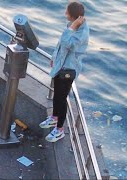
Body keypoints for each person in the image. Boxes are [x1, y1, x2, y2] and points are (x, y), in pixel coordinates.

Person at [39, 1, 89, 142]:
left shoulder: (81, 32)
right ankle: (54, 118)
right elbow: (61, 44)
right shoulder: (73, 26)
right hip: (60, 66)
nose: (65, 14)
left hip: (68, 69)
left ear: (73, 16)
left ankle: (60, 129)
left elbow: (68, 44)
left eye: (67, 12)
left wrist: (72, 27)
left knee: (61, 99)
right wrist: (54, 58)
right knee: (57, 95)